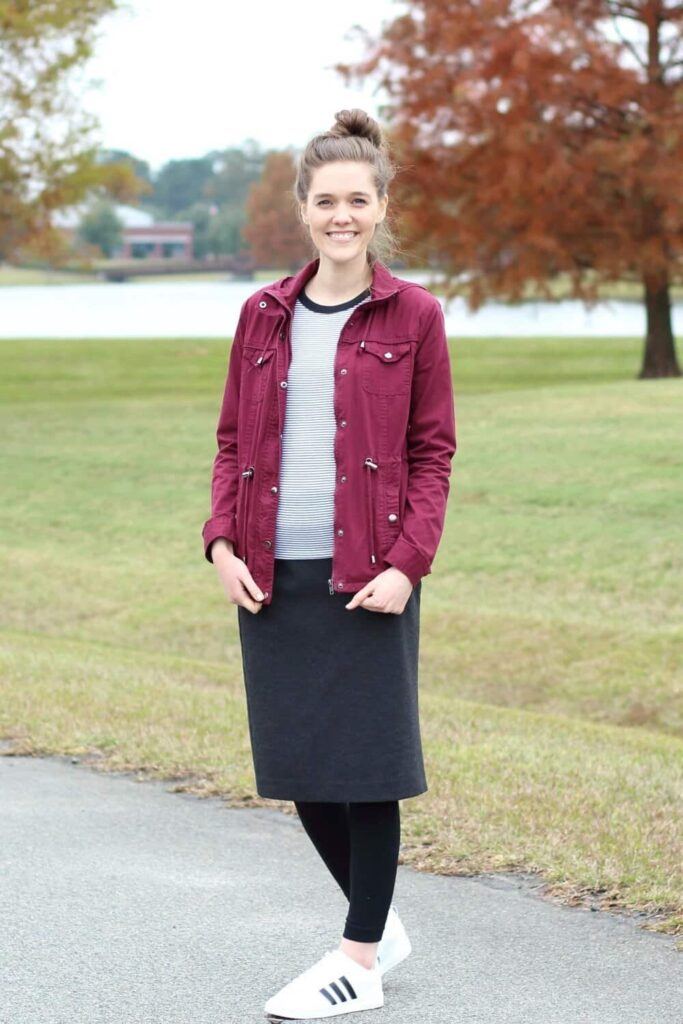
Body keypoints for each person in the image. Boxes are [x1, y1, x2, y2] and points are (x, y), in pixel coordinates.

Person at [201, 108, 457, 1020]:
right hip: (273, 576)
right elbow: (233, 442)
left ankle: (358, 961)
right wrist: (220, 541)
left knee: (366, 769)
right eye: (325, 201)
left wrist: (408, 564)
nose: (340, 215)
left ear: (380, 206)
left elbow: (432, 454)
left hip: (368, 577)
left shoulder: (414, 315)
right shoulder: (262, 314)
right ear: (303, 209)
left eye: (356, 200)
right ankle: (374, 921)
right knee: (302, 769)